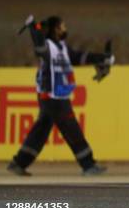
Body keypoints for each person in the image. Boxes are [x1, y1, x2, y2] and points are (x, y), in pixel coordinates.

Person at [7, 15, 113, 176]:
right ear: (55, 29)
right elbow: (39, 48)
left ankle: (19, 162)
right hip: (52, 97)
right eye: (62, 26)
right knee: (71, 128)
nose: (65, 29)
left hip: (55, 96)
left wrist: (101, 58)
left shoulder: (62, 48)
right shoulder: (48, 46)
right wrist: (34, 29)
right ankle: (88, 164)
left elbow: (79, 57)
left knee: (41, 130)